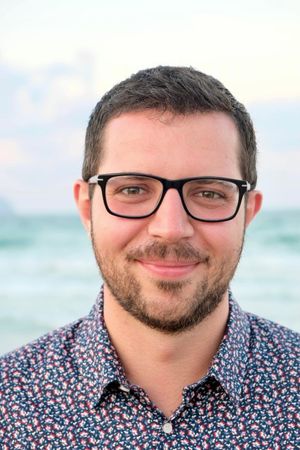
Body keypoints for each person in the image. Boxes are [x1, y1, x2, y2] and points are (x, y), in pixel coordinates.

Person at [0, 66, 298, 449]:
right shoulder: (10, 405)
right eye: (133, 189)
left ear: (247, 212)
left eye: (208, 193)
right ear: (87, 207)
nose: (171, 228)